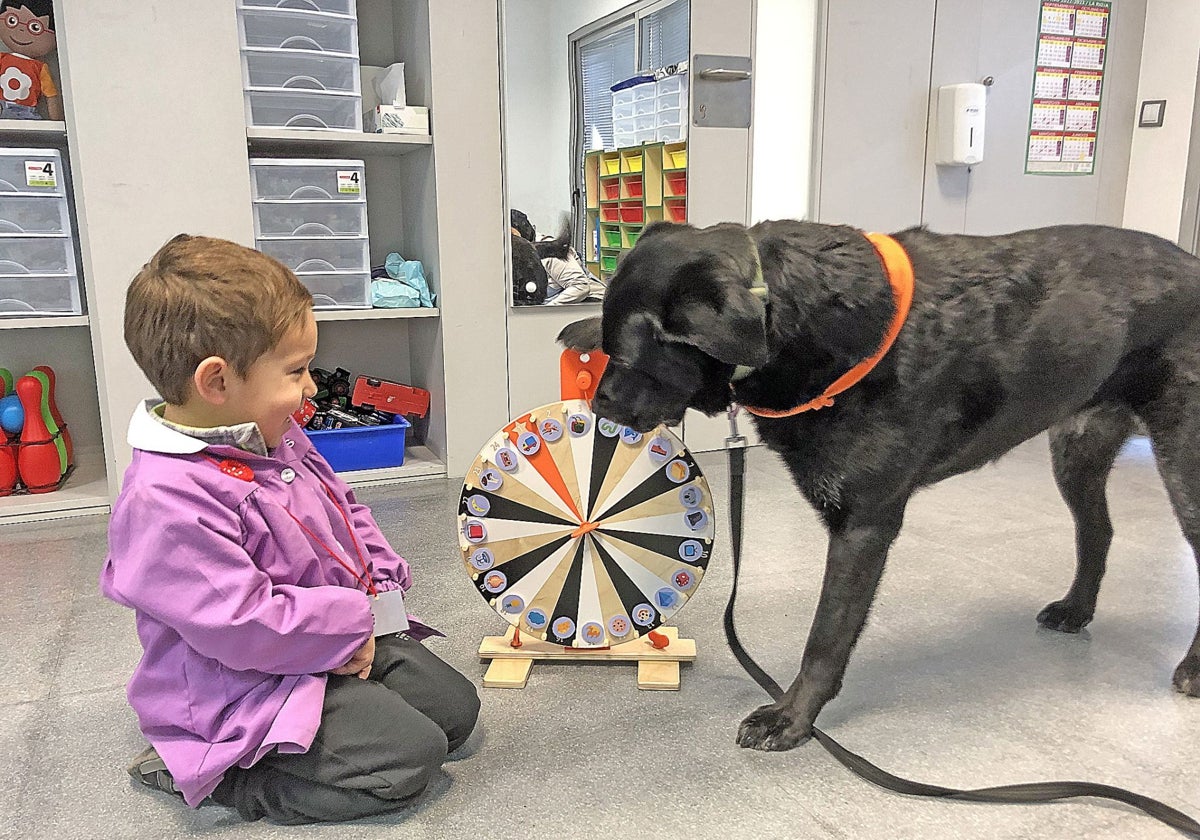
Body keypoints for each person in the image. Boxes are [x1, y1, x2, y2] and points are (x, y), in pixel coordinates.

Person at [101, 234, 479, 825]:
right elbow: (243, 623)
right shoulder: (163, 501)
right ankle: (219, 778)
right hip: (239, 684)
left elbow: (342, 504)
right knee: (408, 760)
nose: (311, 387)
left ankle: (344, 699)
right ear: (217, 382)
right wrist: (349, 627)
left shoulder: (268, 431)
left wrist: (377, 581)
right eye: (297, 371)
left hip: (318, 641)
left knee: (454, 713)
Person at [0, 0, 63, 120]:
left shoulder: (40, 68)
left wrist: (57, 121)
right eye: (12, 21)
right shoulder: (2, 59)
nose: (21, 30)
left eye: (35, 27)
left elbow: (51, 95)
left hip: (27, 112)